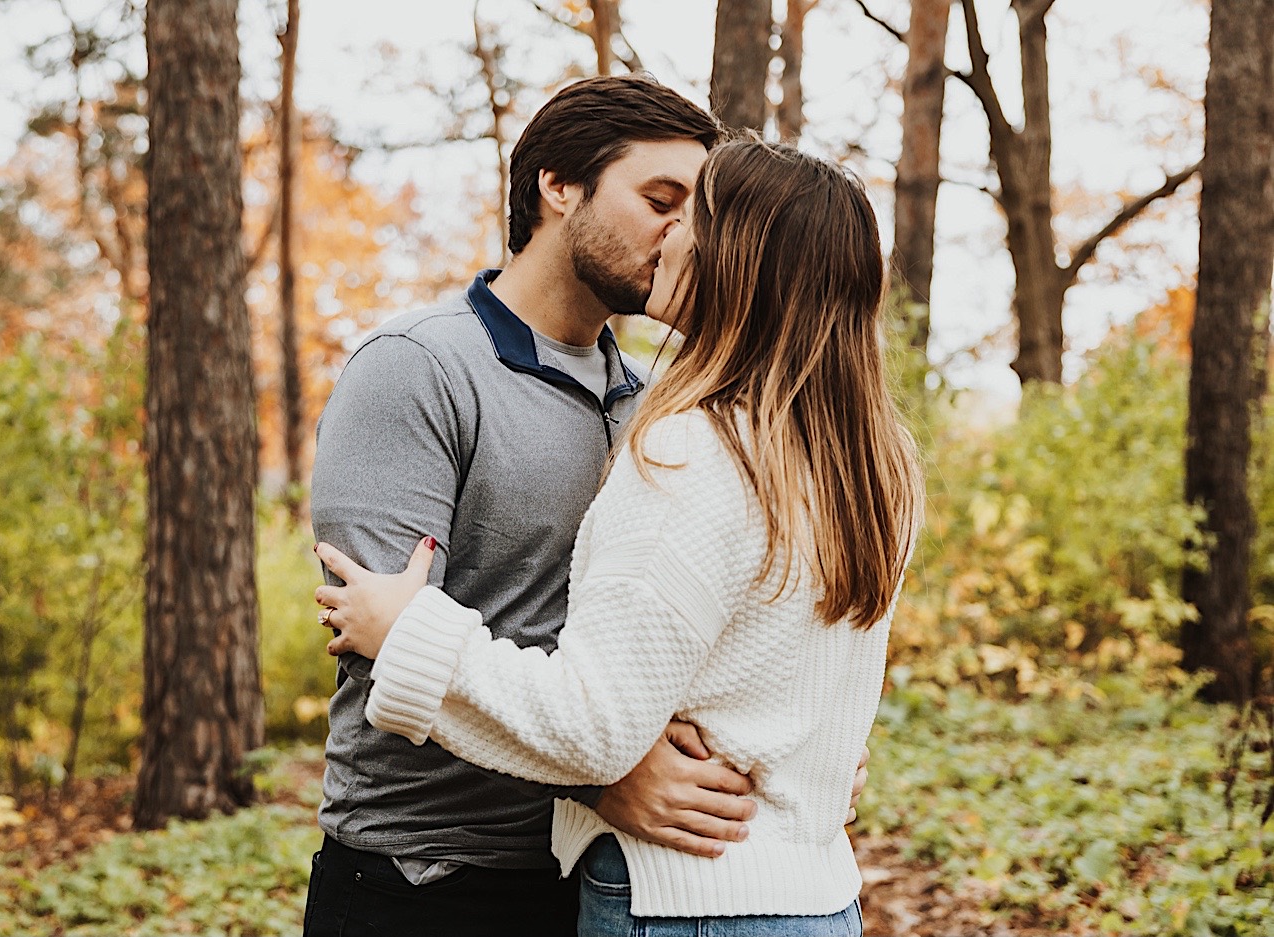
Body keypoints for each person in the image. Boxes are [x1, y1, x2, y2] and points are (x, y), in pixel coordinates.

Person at [314, 137, 922, 937]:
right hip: (788, 895)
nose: (671, 235)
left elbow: (596, 722)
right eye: (659, 203)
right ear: (558, 189)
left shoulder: (687, 441)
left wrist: (411, 637)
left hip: (691, 901)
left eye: (690, 214)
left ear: (740, 258)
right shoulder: (871, 463)